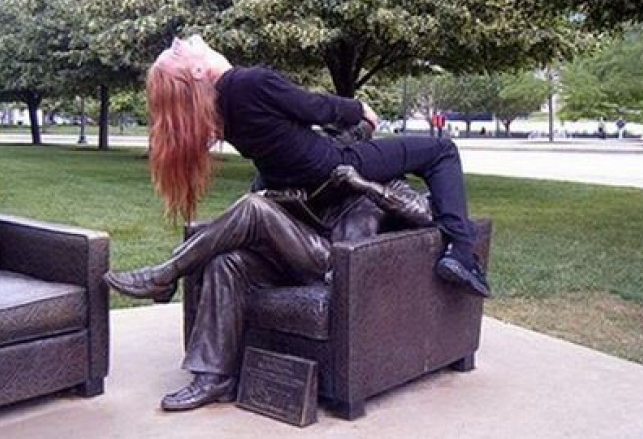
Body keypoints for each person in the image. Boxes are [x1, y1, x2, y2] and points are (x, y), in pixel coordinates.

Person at [139, 34, 489, 296]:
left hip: (298, 180)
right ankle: (461, 252)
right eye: (179, 49)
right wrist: (358, 109)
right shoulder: (250, 82)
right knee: (441, 150)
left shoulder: (217, 112)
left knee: (381, 150)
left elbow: (289, 136)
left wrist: (355, 128)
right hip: (332, 167)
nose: (183, 39)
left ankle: (170, 271)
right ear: (198, 69)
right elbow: (313, 107)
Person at [106, 158, 466, 411]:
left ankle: (165, 275)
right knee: (226, 262)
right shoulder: (317, 175)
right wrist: (287, 198)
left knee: (253, 209)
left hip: (336, 265)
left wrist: (363, 184)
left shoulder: (390, 180)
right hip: (298, 256)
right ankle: (215, 378)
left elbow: (425, 213)